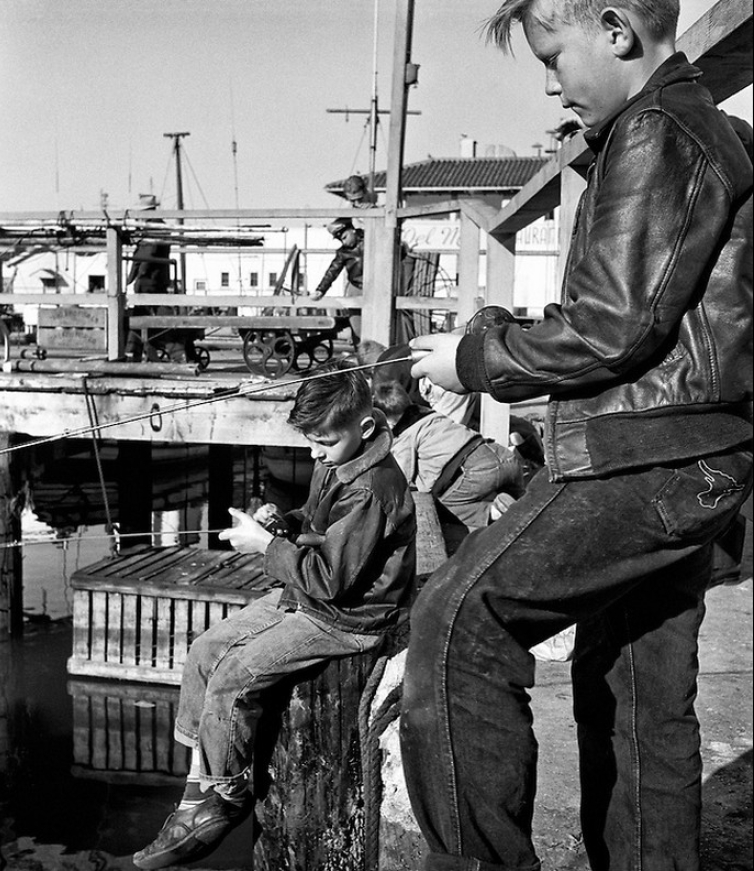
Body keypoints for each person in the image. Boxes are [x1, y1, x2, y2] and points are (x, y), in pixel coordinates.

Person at [400, 2, 753, 870]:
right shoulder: (700, 128)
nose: (551, 82)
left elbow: (611, 329)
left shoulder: (655, 132)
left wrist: (475, 359)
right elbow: (646, 314)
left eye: (554, 57)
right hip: (695, 455)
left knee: (455, 622)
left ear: (613, 30)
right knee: (637, 691)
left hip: (645, 453)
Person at [132, 360, 417, 870]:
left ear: (365, 427)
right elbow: (314, 523)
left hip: (348, 619)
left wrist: (265, 547)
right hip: (310, 596)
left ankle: (224, 797)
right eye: (309, 440)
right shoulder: (338, 460)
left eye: (322, 442)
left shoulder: (374, 487)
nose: (313, 452)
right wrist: (278, 522)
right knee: (203, 651)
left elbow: (331, 580)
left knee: (234, 679)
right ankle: (198, 782)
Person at [373, 378, 524, 553]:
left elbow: (400, 478)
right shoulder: (430, 414)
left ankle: (493, 510)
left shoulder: (404, 437)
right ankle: (522, 503)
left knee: (444, 508)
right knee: (526, 507)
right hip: (501, 454)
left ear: (388, 422)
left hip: (474, 471)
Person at [124, 194, 190, 363]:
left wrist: (134, 277)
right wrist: (131, 278)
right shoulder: (152, 229)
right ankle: (144, 352)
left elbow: (146, 257)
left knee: (148, 320)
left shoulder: (154, 230)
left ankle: (172, 353)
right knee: (148, 320)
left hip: (150, 283)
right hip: (153, 282)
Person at [312, 217, 364, 348]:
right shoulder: (343, 253)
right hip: (356, 288)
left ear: (352, 230)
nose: (344, 241)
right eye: (340, 239)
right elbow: (332, 271)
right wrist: (321, 290)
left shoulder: (372, 239)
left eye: (345, 236)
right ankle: (362, 357)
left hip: (377, 287)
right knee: (358, 329)